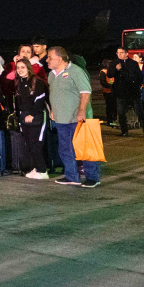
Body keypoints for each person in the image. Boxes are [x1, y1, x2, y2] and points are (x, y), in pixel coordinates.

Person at [47, 46, 100, 188]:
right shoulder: (51, 74)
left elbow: (85, 92)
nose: (47, 60)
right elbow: (55, 93)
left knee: (85, 149)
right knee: (65, 149)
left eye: (50, 57)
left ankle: (93, 177)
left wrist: (81, 111)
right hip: (61, 118)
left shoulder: (76, 71)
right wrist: (53, 109)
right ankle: (72, 176)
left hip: (78, 118)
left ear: (59, 58)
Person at [13, 58, 51, 179]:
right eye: (18, 68)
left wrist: (33, 114)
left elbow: (40, 100)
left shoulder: (37, 82)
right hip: (24, 116)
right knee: (29, 144)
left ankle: (43, 171)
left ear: (28, 68)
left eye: (22, 67)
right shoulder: (18, 82)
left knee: (37, 144)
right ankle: (35, 168)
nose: (20, 70)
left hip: (37, 116)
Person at [113, 47, 144, 136]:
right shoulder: (115, 63)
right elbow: (110, 74)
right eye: (118, 53)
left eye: (121, 52)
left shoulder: (133, 63)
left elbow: (139, 76)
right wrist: (116, 69)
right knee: (121, 112)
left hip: (133, 91)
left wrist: (137, 85)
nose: (119, 54)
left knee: (139, 111)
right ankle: (124, 131)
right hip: (121, 92)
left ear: (127, 53)